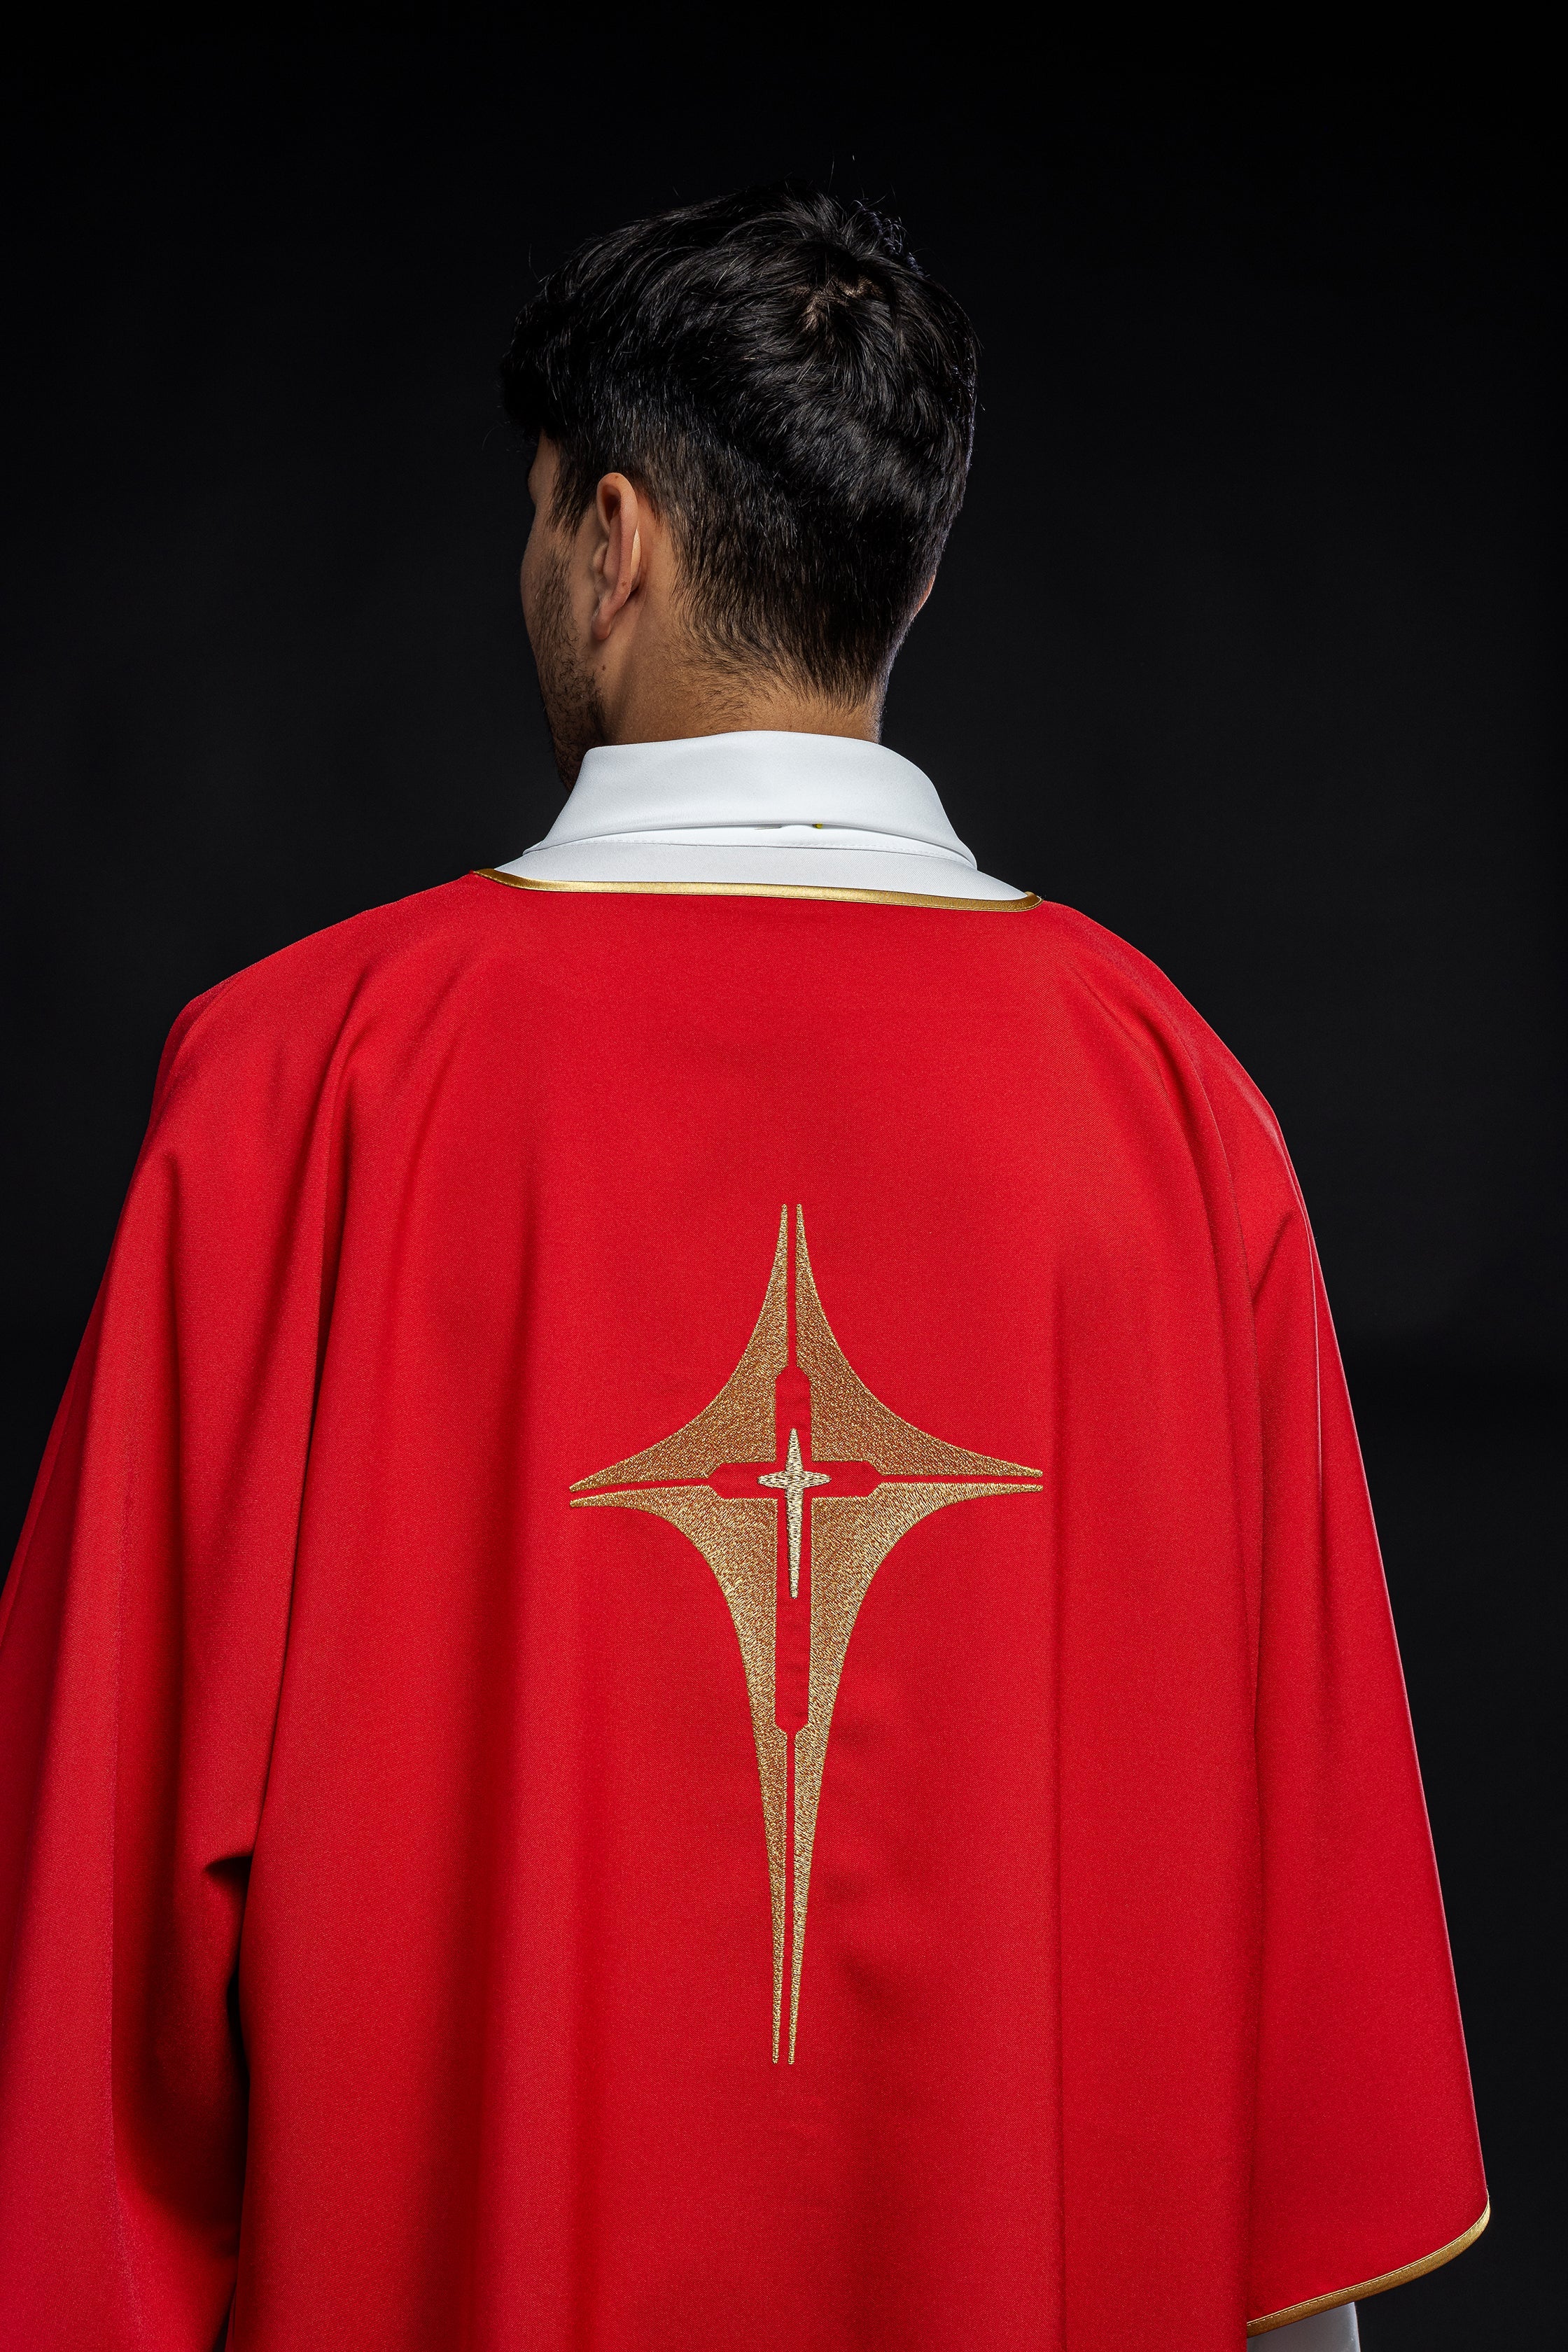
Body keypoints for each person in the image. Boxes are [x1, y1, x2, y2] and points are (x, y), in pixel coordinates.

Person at [0, 182, 1485, 2350]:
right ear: (909, 571)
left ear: (614, 544)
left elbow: (103, 1910)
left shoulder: (302, 1080)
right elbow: (1307, 1943)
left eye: (537, 521)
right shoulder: (1173, 1103)